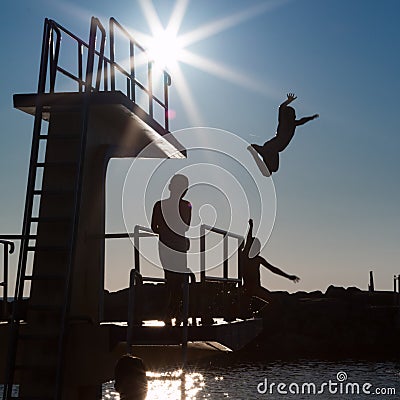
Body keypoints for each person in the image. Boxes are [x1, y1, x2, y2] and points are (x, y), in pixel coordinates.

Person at [151, 174, 192, 326]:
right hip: (179, 246)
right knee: (178, 281)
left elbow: (154, 227)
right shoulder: (187, 205)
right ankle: (175, 312)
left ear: (170, 186)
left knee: (170, 279)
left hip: (165, 245)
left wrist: (165, 230)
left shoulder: (159, 205)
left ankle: (171, 312)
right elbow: (185, 226)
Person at [249, 93, 319, 174]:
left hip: (275, 149)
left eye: (294, 115)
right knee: (271, 169)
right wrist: (288, 101)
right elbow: (281, 108)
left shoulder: (293, 124)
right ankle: (258, 149)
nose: (295, 116)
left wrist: (311, 117)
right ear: (288, 116)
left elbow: (302, 120)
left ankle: (260, 150)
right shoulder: (284, 122)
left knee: (273, 169)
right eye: (293, 114)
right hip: (272, 147)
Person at [241, 219, 300, 302]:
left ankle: (261, 312)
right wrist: (251, 227)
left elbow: (273, 269)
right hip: (252, 288)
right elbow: (249, 240)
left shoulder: (256, 259)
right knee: (273, 301)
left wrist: (288, 276)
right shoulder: (247, 257)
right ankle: (261, 313)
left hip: (254, 288)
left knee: (273, 300)